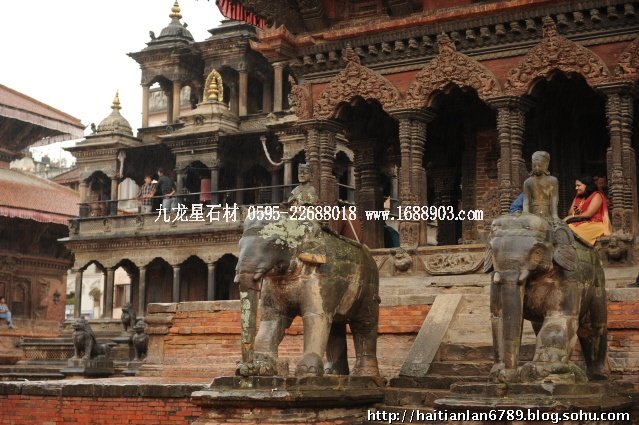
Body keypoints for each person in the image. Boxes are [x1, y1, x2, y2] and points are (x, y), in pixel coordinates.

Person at [563, 175, 612, 245]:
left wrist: (571, 217)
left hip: (595, 224)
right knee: (564, 228)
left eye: (578, 185)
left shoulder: (597, 195)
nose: (576, 188)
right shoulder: (578, 197)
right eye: (576, 186)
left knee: (569, 228)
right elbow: (570, 213)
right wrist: (574, 213)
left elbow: (588, 214)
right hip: (581, 223)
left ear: (587, 185)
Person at [522, 151, 559, 221]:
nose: (537, 168)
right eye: (534, 166)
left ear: (546, 165)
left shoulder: (552, 180)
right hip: (533, 212)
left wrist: (555, 215)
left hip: (547, 211)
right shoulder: (527, 182)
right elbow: (526, 200)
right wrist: (525, 213)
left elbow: (554, 198)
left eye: (539, 166)